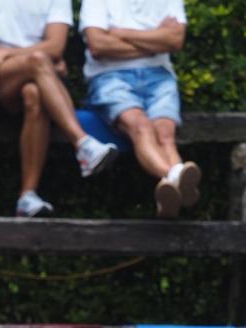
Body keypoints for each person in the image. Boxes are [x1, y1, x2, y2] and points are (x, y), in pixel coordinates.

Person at [0, 0, 118, 217]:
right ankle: (82, 142)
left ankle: (27, 196)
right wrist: (39, 60)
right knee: (37, 60)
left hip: (36, 80)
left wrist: (4, 54)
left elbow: (56, 46)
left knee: (33, 93)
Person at [79, 0, 200, 218]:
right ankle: (175, 176)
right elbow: (98, 45)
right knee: (141, 126)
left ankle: (168, 200)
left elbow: (175, 39)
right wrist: (154, 40)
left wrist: (120, 33)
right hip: (109, 77)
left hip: (159, 75)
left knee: (165, 133)